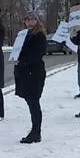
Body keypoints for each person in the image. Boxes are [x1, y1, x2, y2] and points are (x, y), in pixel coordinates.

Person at [13, 11, 47, 144]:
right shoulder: (23, 34)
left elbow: (37, 54)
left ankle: (36, 132)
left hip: (34, 73)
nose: (30, 22)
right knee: (30, 101)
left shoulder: (39, 35)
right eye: (27, 19)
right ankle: (34, 130)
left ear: (37, 21)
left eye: (33, 19)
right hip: (24, 72)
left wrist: (22, 61)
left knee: (34, 102)